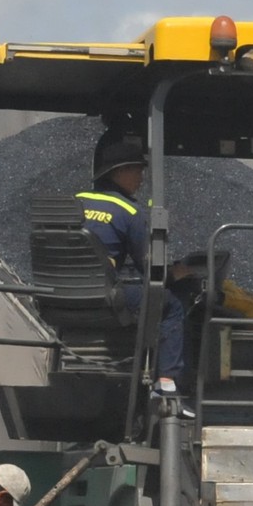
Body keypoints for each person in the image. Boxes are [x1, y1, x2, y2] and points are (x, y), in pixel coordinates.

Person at [79, 132, 194, 394]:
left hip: (61, 291)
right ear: (120, 172)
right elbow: (151, 270)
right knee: (171, 304)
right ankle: (168, 382)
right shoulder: (129, 211)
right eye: (138, 171)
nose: (141, 179)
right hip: (102, 294)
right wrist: (175, 273)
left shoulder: (76, 201)